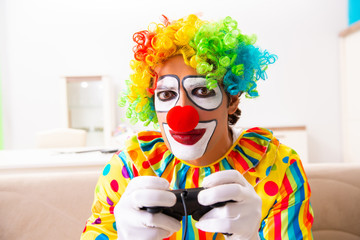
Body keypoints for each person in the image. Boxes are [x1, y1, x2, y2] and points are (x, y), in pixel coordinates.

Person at [81, 14, 314, 240]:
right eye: (166, 94)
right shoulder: (127, 169)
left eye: (202, 91)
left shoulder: (278, 167)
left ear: (232, 100)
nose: (181, 114)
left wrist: (248, 238)